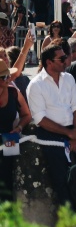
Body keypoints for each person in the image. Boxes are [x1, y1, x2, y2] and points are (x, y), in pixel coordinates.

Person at [25, 45, 76, 227]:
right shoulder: (35, 85)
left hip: (72, 131)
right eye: (61, 59)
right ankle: (70, 221)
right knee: (61, 178)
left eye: (65, 57)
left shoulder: (68, 78)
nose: (66, 61)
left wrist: (75, 134)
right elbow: (40, 119)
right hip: (51, 135)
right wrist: (68, 134)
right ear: (49, 62)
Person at [0, 60, 31, 201]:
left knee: (8, 179)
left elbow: (27, 115)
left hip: (9, 138)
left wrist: (19, 127)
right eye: (3, 77)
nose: (8, 79)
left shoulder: (13, 92)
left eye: (8, 76)